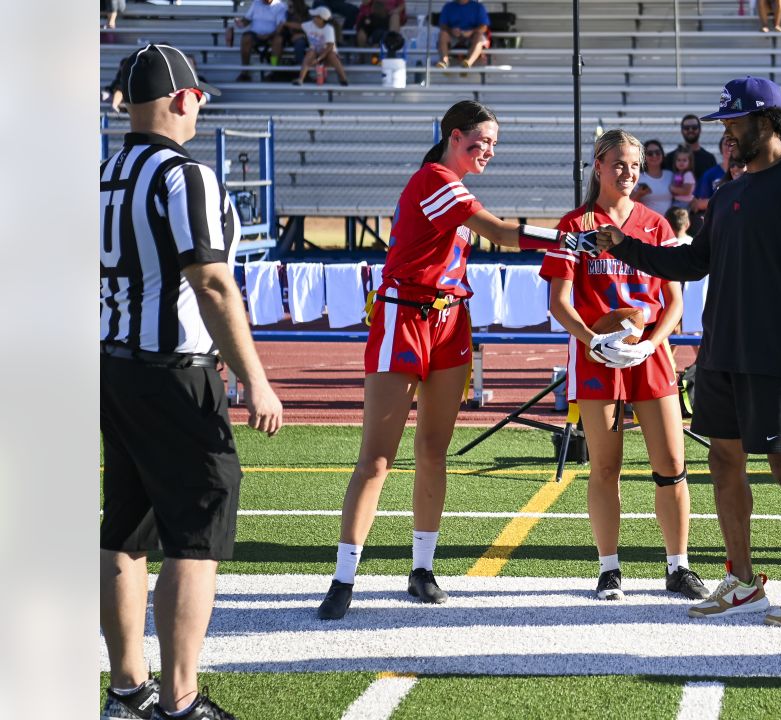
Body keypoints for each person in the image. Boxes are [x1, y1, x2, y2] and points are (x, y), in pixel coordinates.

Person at [316, 100, 592, 620]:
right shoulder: (435, 179)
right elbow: (505, 234)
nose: (487, 151)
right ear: (452, 135)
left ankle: (421, 570)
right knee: (377, 456)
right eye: (479, 141)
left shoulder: (451, 181)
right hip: (405, 315)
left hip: (450, 319)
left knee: (434, 450)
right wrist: (571, 237)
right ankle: (344, 576)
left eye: (492, 144)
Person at [593, 77, 781, 627]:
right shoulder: (730, 191)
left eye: (735, 124)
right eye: (726, 126)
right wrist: (629, 247)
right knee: (722, 460)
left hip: (780, 353)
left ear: (768, 122)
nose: (727, 135)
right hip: (721, 352)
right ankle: (741, 580)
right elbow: (692, 262)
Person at [99, 44, 284, 720]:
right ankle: (179, 700)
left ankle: (126, 692)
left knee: (124, 527)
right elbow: (211, 279)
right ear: (182, 99)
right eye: (197, 95)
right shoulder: (184, 175)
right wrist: (256, 377)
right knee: (195, 532)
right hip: (175, 371)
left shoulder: (106, 172)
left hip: (114, 362)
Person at [539, 129, 711, 603]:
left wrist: (651, 343)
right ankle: (609, 568)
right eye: (619, 164)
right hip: (597, 358)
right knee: (605, 467)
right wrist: (596, 340)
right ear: (597, 165)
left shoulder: (655, 224)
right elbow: (558, 302)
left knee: (672, 465)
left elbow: (675, 302)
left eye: (635, 166)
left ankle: (679, 567)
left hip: (649, 356)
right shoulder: (574, 226)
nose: (629, 173)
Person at [226, 0, 289, 81]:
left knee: (278, 41)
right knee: (246, 38)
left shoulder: (280, 6)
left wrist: (268, 35)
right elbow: (247, 19)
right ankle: (245, 72)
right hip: (255, 35)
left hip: (272, 35)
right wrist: (240, 23)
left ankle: (274, 70)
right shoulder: (256, 3)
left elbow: (280, 26)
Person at [293, 6, 350, 85]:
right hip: (315, 53)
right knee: (311, 52)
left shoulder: (328, 29)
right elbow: (298, 26)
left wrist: (318, 59)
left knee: (331, 55)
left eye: (315, 16)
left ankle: (343, 79)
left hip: (326, 55)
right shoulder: (310, 24)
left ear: (321, 19)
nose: (313, 17)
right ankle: (300, 79)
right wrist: (283, 24)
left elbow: (329, 46)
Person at [435, 0, 490, 69]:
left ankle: (468, 63)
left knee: (479, 36)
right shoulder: (448, 7)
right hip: (453, 36)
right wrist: (451, 30)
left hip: (472, 37)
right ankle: (444, 62)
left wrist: (471, 32)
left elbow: (484, 27)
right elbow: (442, 25)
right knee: (442, 34)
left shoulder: (478, 7)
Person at [664, 115, 717, 182]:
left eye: (694, 127)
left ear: (700, 130)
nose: (690, 130)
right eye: (686, 128)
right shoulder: (670, 158)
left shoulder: (709, 159)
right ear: (682, 130)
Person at [632, 139, 674, 216]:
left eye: (657, 153)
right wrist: (639, 194)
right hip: (647, 222)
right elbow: (630, 203)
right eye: (650, 153)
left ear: (662, 155)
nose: (654, 156)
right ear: (644, 157)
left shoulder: (670, 175)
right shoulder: (638, 177)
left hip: (669, 223)